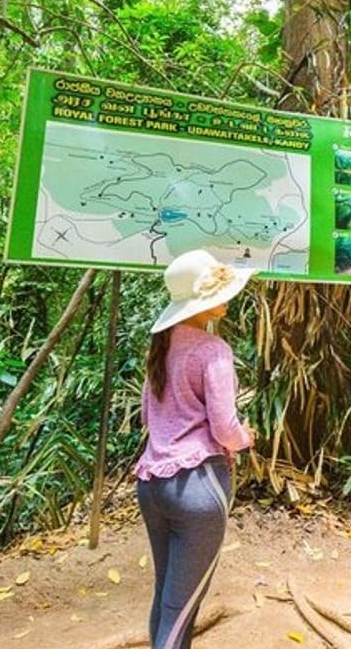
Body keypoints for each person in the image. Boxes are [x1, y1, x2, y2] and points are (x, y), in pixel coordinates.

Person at [136, 249, 256, 649]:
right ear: (204, 302)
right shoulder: (212, 351)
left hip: (152, 485)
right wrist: (246, 438)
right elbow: (225, 426)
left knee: (166, 598)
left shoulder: (161, 346)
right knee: (182, 607)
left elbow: (147, 415)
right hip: (198, 489)